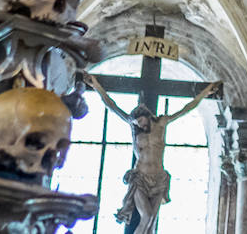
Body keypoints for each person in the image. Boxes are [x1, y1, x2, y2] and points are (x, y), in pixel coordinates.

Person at [83, 71, 222, 234]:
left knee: (151, 223)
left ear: (147, 116)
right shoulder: (134, 127)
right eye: (136, 123)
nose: (140, 126)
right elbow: (112, 106)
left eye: (141, 121)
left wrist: (205, 93)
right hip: (140, 178)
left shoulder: (162, 123)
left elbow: (186, 109)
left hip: (159, 179)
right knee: (146, 217)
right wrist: (96, 86)